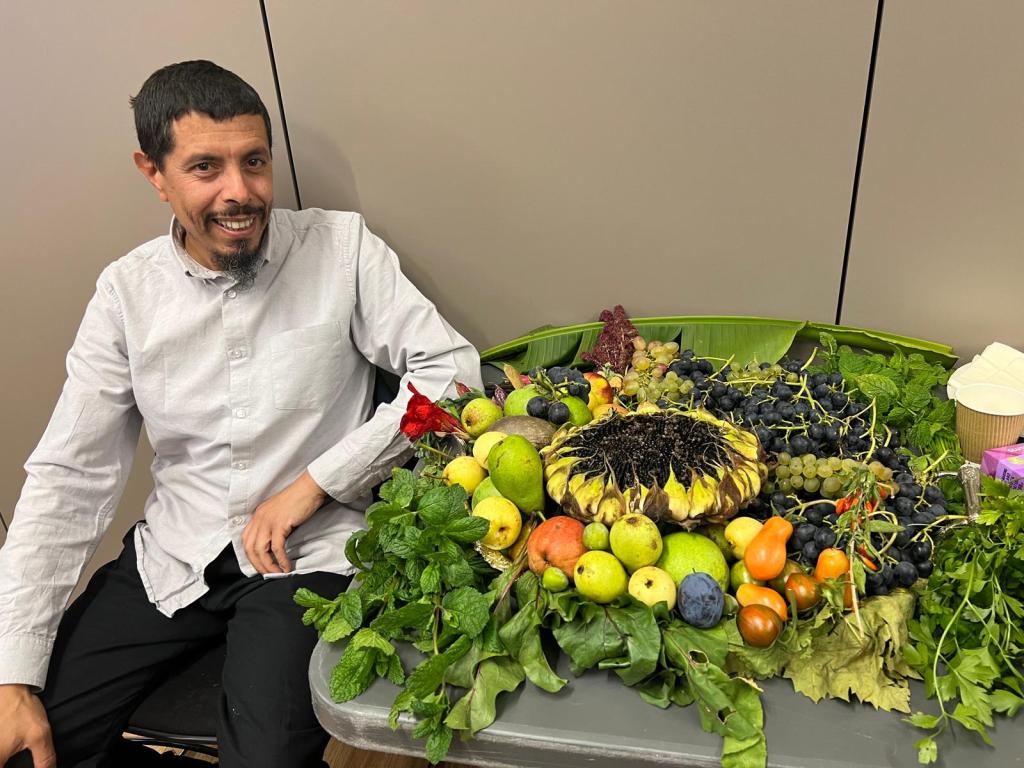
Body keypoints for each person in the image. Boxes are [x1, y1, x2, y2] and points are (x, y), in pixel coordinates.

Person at [0, 60, 481, 768]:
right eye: (205, 167)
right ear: (154, 173)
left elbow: (455, 379)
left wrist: (316, 482)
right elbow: (70, 478)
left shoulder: (341, 248)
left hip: (307, 561)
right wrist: (12, 675)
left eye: (254, 162)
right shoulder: (124, 295)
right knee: (26, 744)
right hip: (174, 553)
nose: (241, 192)